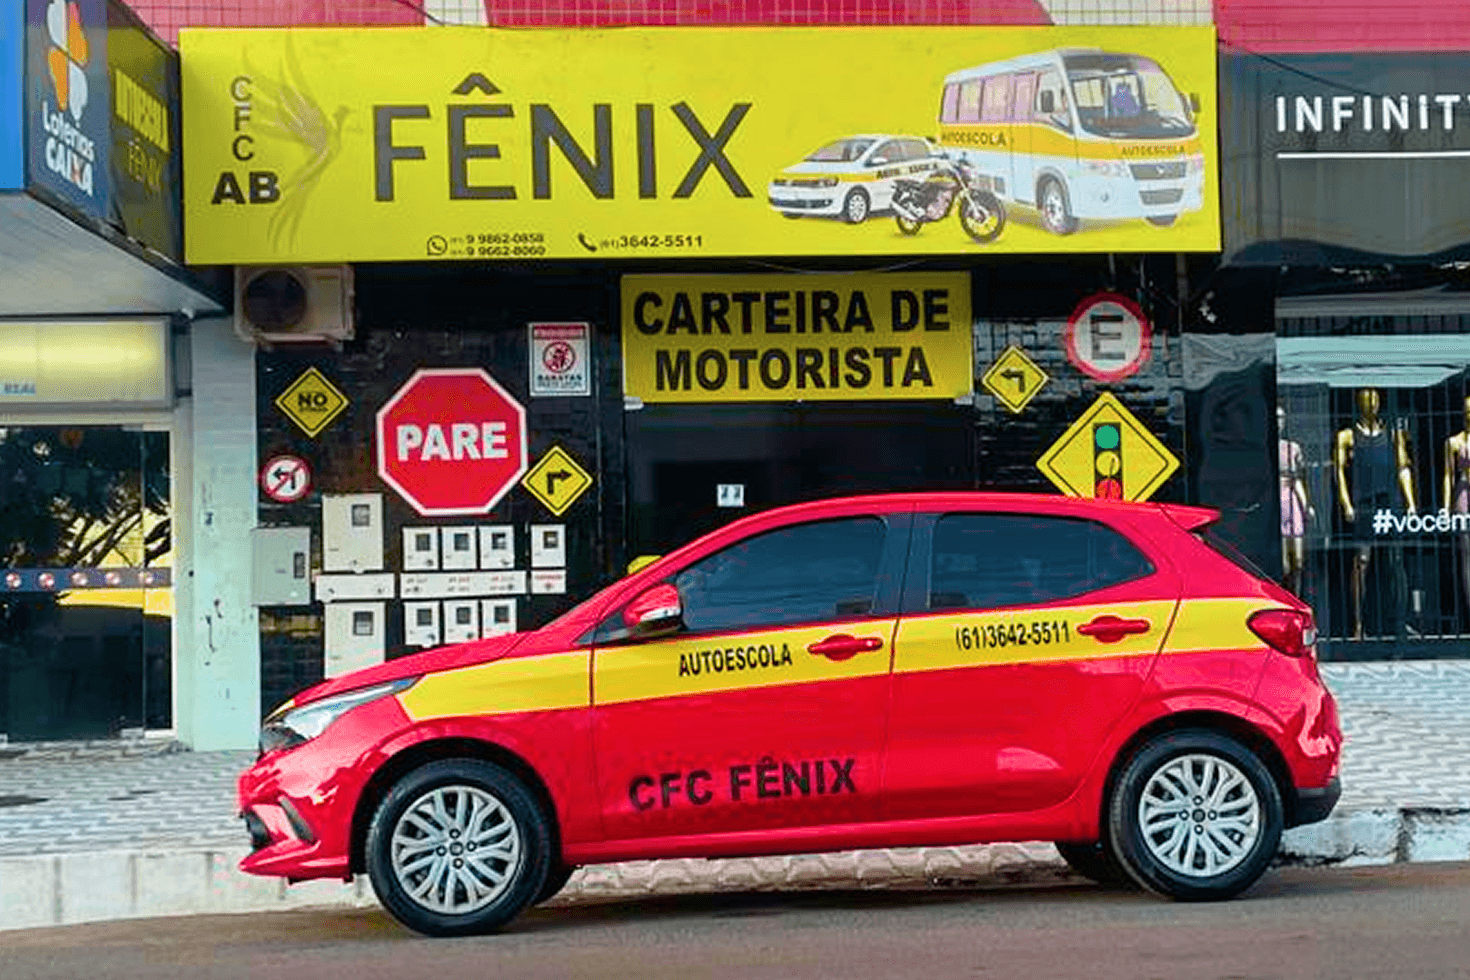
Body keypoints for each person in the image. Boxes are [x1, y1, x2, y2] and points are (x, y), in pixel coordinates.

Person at [1334, 388, 1415, 640]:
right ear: (1358, 404)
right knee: (1362, 562)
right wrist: (1346, 504)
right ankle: (1357, 624)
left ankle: (1401, 622)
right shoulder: (1347, 436)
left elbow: (1403, 469)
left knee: (1395, 562)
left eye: (1375, 400)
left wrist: (1410, 503)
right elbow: (1338, 472)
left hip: (1389, 503)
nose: (1371, 404)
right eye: (1365, 400)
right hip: (1364, 504)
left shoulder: (1393, 435)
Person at [1279, 406, 1313, 597]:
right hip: (1276, 501)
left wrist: (1306, 504)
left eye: (1282, 418)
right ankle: (1285, 597)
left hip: (1291, 500)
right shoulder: (1265, 446)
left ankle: (1297, 597)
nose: (1279, 422)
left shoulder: (1293, 448)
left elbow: (1298, 479)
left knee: (1298, 559)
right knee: (1283, 563)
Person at [1442, 395, 1470, 629]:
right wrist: (1444, 507)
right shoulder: (1454, 441)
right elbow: (1447, 476)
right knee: (1467, 555)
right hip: (1464, 493)